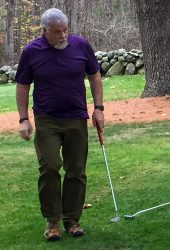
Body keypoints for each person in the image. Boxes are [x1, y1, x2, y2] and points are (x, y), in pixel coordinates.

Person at [16, 8, 104, 241]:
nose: (63, 35)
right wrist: (23, 119)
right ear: (45, 31)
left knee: (76, 170)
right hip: (47, 120)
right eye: (57, 32)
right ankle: (52, 221)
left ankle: (72, 221)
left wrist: (98, 108)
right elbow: (22, 85)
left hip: (76, 118)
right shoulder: (31, 51)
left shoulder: (81, 45)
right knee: (50, 167)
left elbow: (95, 75)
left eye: (65, 30)